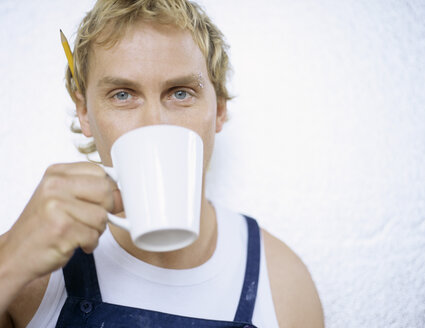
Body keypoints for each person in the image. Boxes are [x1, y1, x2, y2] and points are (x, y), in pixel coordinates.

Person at [0, 0, 324, 327]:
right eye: (123, 95)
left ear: (220, 109)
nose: (154, 124)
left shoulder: (282, 281)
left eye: (180, 93)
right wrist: (9, 265)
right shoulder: (26, 270)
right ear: (85, 113)